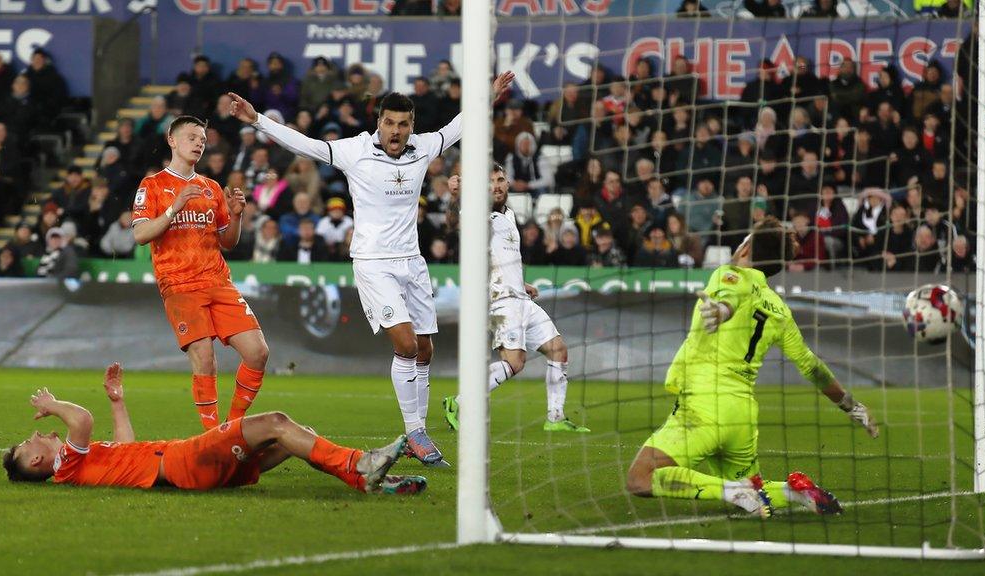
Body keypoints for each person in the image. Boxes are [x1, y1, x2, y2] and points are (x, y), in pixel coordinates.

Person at [230, 71, 517, 468]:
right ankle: (415, 431)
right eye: (389, 123)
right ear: (378, 122)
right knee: (406, 345)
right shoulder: (355, 151)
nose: (395, 131)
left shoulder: (423, 147)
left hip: (412, 263)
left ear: (411, 125)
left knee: (425, 350)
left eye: (403, 124)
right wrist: (257, 119)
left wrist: (487, 96)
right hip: (373, 262)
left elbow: (459, 125)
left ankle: (419, 430)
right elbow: (307, 145)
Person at [625, 217, 879, 517]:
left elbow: (730, 297)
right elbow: (811, 366)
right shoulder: (779, 309)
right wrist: (851, 405)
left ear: (745, 248)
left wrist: (722, 310)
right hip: (741, 416)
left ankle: (734, 491)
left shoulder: (729, 274)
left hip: (703, 405)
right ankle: (794, 490)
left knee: (640, 479)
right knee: (753, 490)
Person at [2, 364, 427, 496]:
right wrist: (51, 405)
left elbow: (126, 449)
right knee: (276, 421)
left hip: (184, 469)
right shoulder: (64, 467)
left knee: (292, 434)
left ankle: (367, 479)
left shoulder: (82, 465)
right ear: (37, 460)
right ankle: (362, 463)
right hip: (183, 460)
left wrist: (117, 400)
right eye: (27, 443)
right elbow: (81, 420)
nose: (34, 435)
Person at [131, 115, 270, 431]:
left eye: (203, 140)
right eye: (192, 137)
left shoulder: (211, 187)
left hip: (218, 281)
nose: (199, 144)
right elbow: (141, 235)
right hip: (179, 284)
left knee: (258, 352)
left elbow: (228, 242)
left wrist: (235, 217)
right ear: (172, 140)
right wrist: (174, 207)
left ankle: (231, 427)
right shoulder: (152, 185)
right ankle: (211, 435)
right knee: (204, 358)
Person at [441, 169, 589, 433]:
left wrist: (521, 284)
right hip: (500, 301)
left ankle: (555, 417)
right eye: (490, 182)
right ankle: (458, 402)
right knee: (514, 362)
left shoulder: (509, 215)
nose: (496, 186)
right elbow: (453, 223)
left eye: (500, 180)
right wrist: (454, 196)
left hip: (520, 298)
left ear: (507, 183)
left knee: (558, 349)